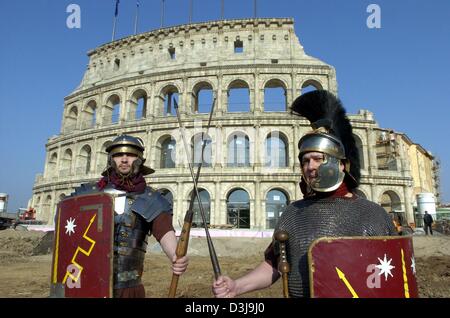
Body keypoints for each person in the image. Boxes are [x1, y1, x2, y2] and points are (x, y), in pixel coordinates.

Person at [212, 90, 397, 298]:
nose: (310, 166)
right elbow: (274, 264)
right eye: (305, 161)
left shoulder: (373, 214)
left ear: (342, 165)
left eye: (317, 159)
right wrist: (237, 286)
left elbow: (395, 275)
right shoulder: (294, 214)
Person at [71, 134, 188, 297]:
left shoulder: (151, 199)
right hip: (88, 284)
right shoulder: (87, 194)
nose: (124, 159)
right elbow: (66, 227)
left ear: (139, 159)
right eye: (119, 155)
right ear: (111, 159)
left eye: (130, 154)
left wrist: (175, 255)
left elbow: (164, 230)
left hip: (128, 289)